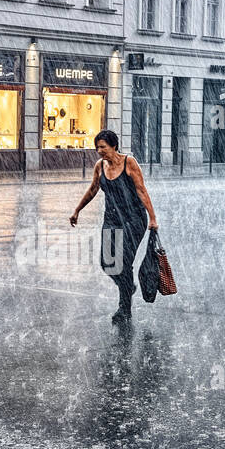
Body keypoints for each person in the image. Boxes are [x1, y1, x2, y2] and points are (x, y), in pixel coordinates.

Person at [70, 130, 160, 325]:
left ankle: (124, 308)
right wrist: (77, 210)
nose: (99, 151)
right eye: (97, 147)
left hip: (133, 219)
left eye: (103, 147)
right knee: (106, 262)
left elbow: (141, 190)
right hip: (111, 219)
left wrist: (152, 218)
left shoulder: (129, 163)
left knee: (123, 262)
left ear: (114, 146)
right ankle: (127, 286)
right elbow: (93, 189)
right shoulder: (100, 166)